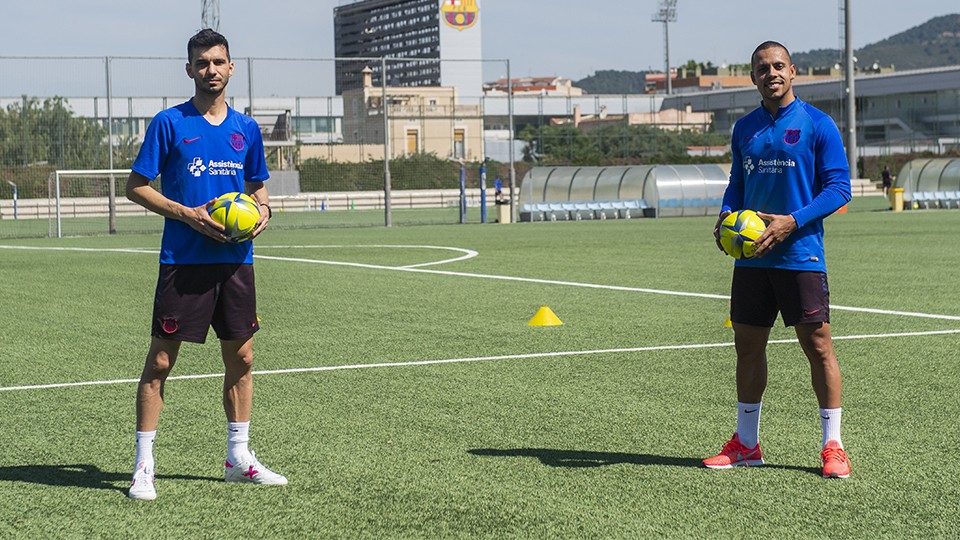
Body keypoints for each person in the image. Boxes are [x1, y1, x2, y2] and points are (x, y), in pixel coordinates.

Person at [125, 29, 286, 500]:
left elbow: (258, 188)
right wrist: (187, 215)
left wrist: (265, 213)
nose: (210, 70)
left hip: (236, 261)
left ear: (231, 68)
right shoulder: (169, 123)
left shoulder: (247, 129)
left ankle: (238, 458)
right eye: (201, 63)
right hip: (184, 260)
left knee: (242, 358)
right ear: (189, 69)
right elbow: (136, 186)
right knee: (159, 360)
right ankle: (144, 466)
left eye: (218, 62)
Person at [705, 41, 853, 479]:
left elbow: (840, 188)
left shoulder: (818, 124)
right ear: (752, 77)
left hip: (802, 255)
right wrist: (726, 217)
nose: (770, 73)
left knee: (819, 347)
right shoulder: (744, 129)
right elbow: (737, 184)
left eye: (778, 66)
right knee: (747, 346)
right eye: (761, 68)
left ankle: (833, 446)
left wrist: (793, 220)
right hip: (751, 260)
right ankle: (747, 443)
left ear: (793, 72)